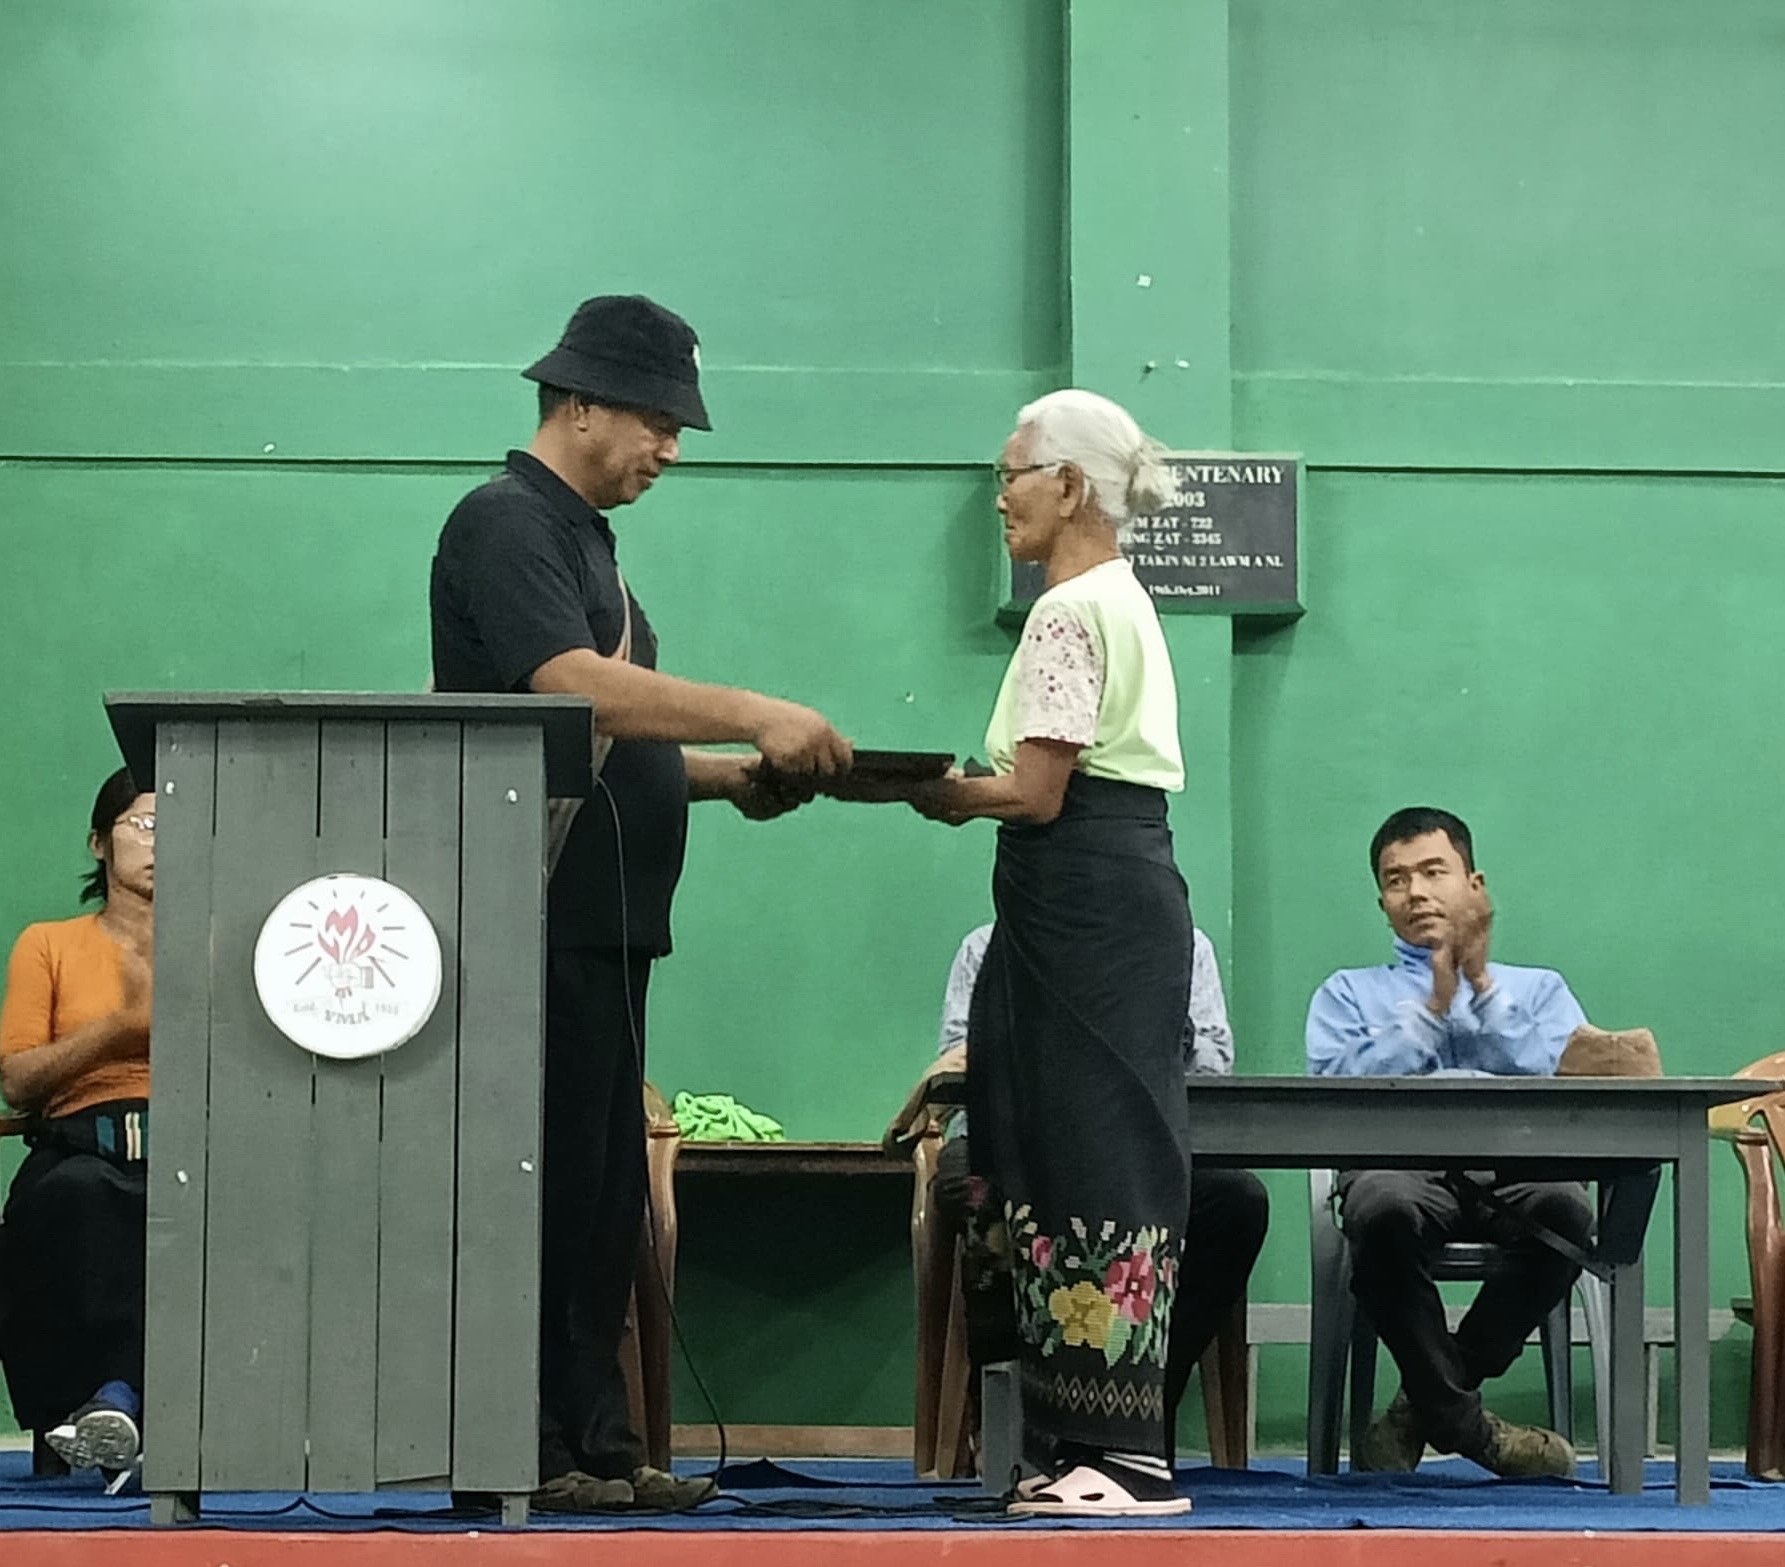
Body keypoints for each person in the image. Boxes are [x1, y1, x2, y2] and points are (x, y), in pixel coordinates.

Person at [428, 294, 852, 1514]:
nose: (669, 448)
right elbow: (571, 690)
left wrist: (728, 779)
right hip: (532, 916)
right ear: (578, 405)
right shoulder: (503, 522)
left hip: (603, 925)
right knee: (540, 1188)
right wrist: (757, 712)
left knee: (600, 1195)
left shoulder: (584, 543)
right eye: (657, 422)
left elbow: (614, 748)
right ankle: (521, 1446)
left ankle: (596, 1443)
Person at [907, 388, 1196, 1517]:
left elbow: (1034, 791)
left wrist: (939, 791)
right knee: (1062, 1147)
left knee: (1088, 1156)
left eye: (1011, 475)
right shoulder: (1123, 598)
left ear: (1069, 486)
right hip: (1103, 899)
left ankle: (1121, 1454)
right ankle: (1077, 1437)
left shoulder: (1068, 610)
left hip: (1083, 903)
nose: (1000, 498)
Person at [1305, 806, 1591, 1478]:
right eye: (1396, 879)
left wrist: (1481, 989)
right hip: (1398, 1169)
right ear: (1382, 902)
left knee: (1568, 1214)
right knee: (1380, 1211)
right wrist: (1431, 1011)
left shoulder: (1539, 990)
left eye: (1434, 872)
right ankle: (1473, 1431)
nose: (1416, 892)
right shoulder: (1346, 994)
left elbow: (1562, 1076)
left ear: (1474, 884)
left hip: (1518, 1170)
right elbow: (1333, 1090)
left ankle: (1421, 1411)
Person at [927, 923, 1268, 1464]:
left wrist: (1159, 1026)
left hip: (1138, 1143)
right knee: (979, 1190)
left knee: (1236, 1203)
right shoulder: (986, 946)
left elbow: (1212, 1067)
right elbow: (958, 1065)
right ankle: (1012, 1426)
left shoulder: (1183, 944)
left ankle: (1139, 1413)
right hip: (1013, 1137)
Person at [0, 766, 155, 1480]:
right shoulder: (48, 944)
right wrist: (118, 1031)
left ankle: (117, 1401)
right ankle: (104, 1402)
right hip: (80, 1142)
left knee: (200, 1206)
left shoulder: (222, 945)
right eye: (145, 825)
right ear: (98, 842)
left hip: (194, 1145)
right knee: (79, 1198)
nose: (163, 842)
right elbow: (17, 1080)